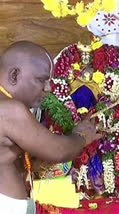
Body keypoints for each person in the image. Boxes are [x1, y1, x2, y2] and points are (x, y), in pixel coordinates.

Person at [0, 41, 101, 213]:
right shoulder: (9, 110)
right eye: (41, 80)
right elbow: (57, 150)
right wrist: (81, 136)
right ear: (14, 75)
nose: (48, 88)